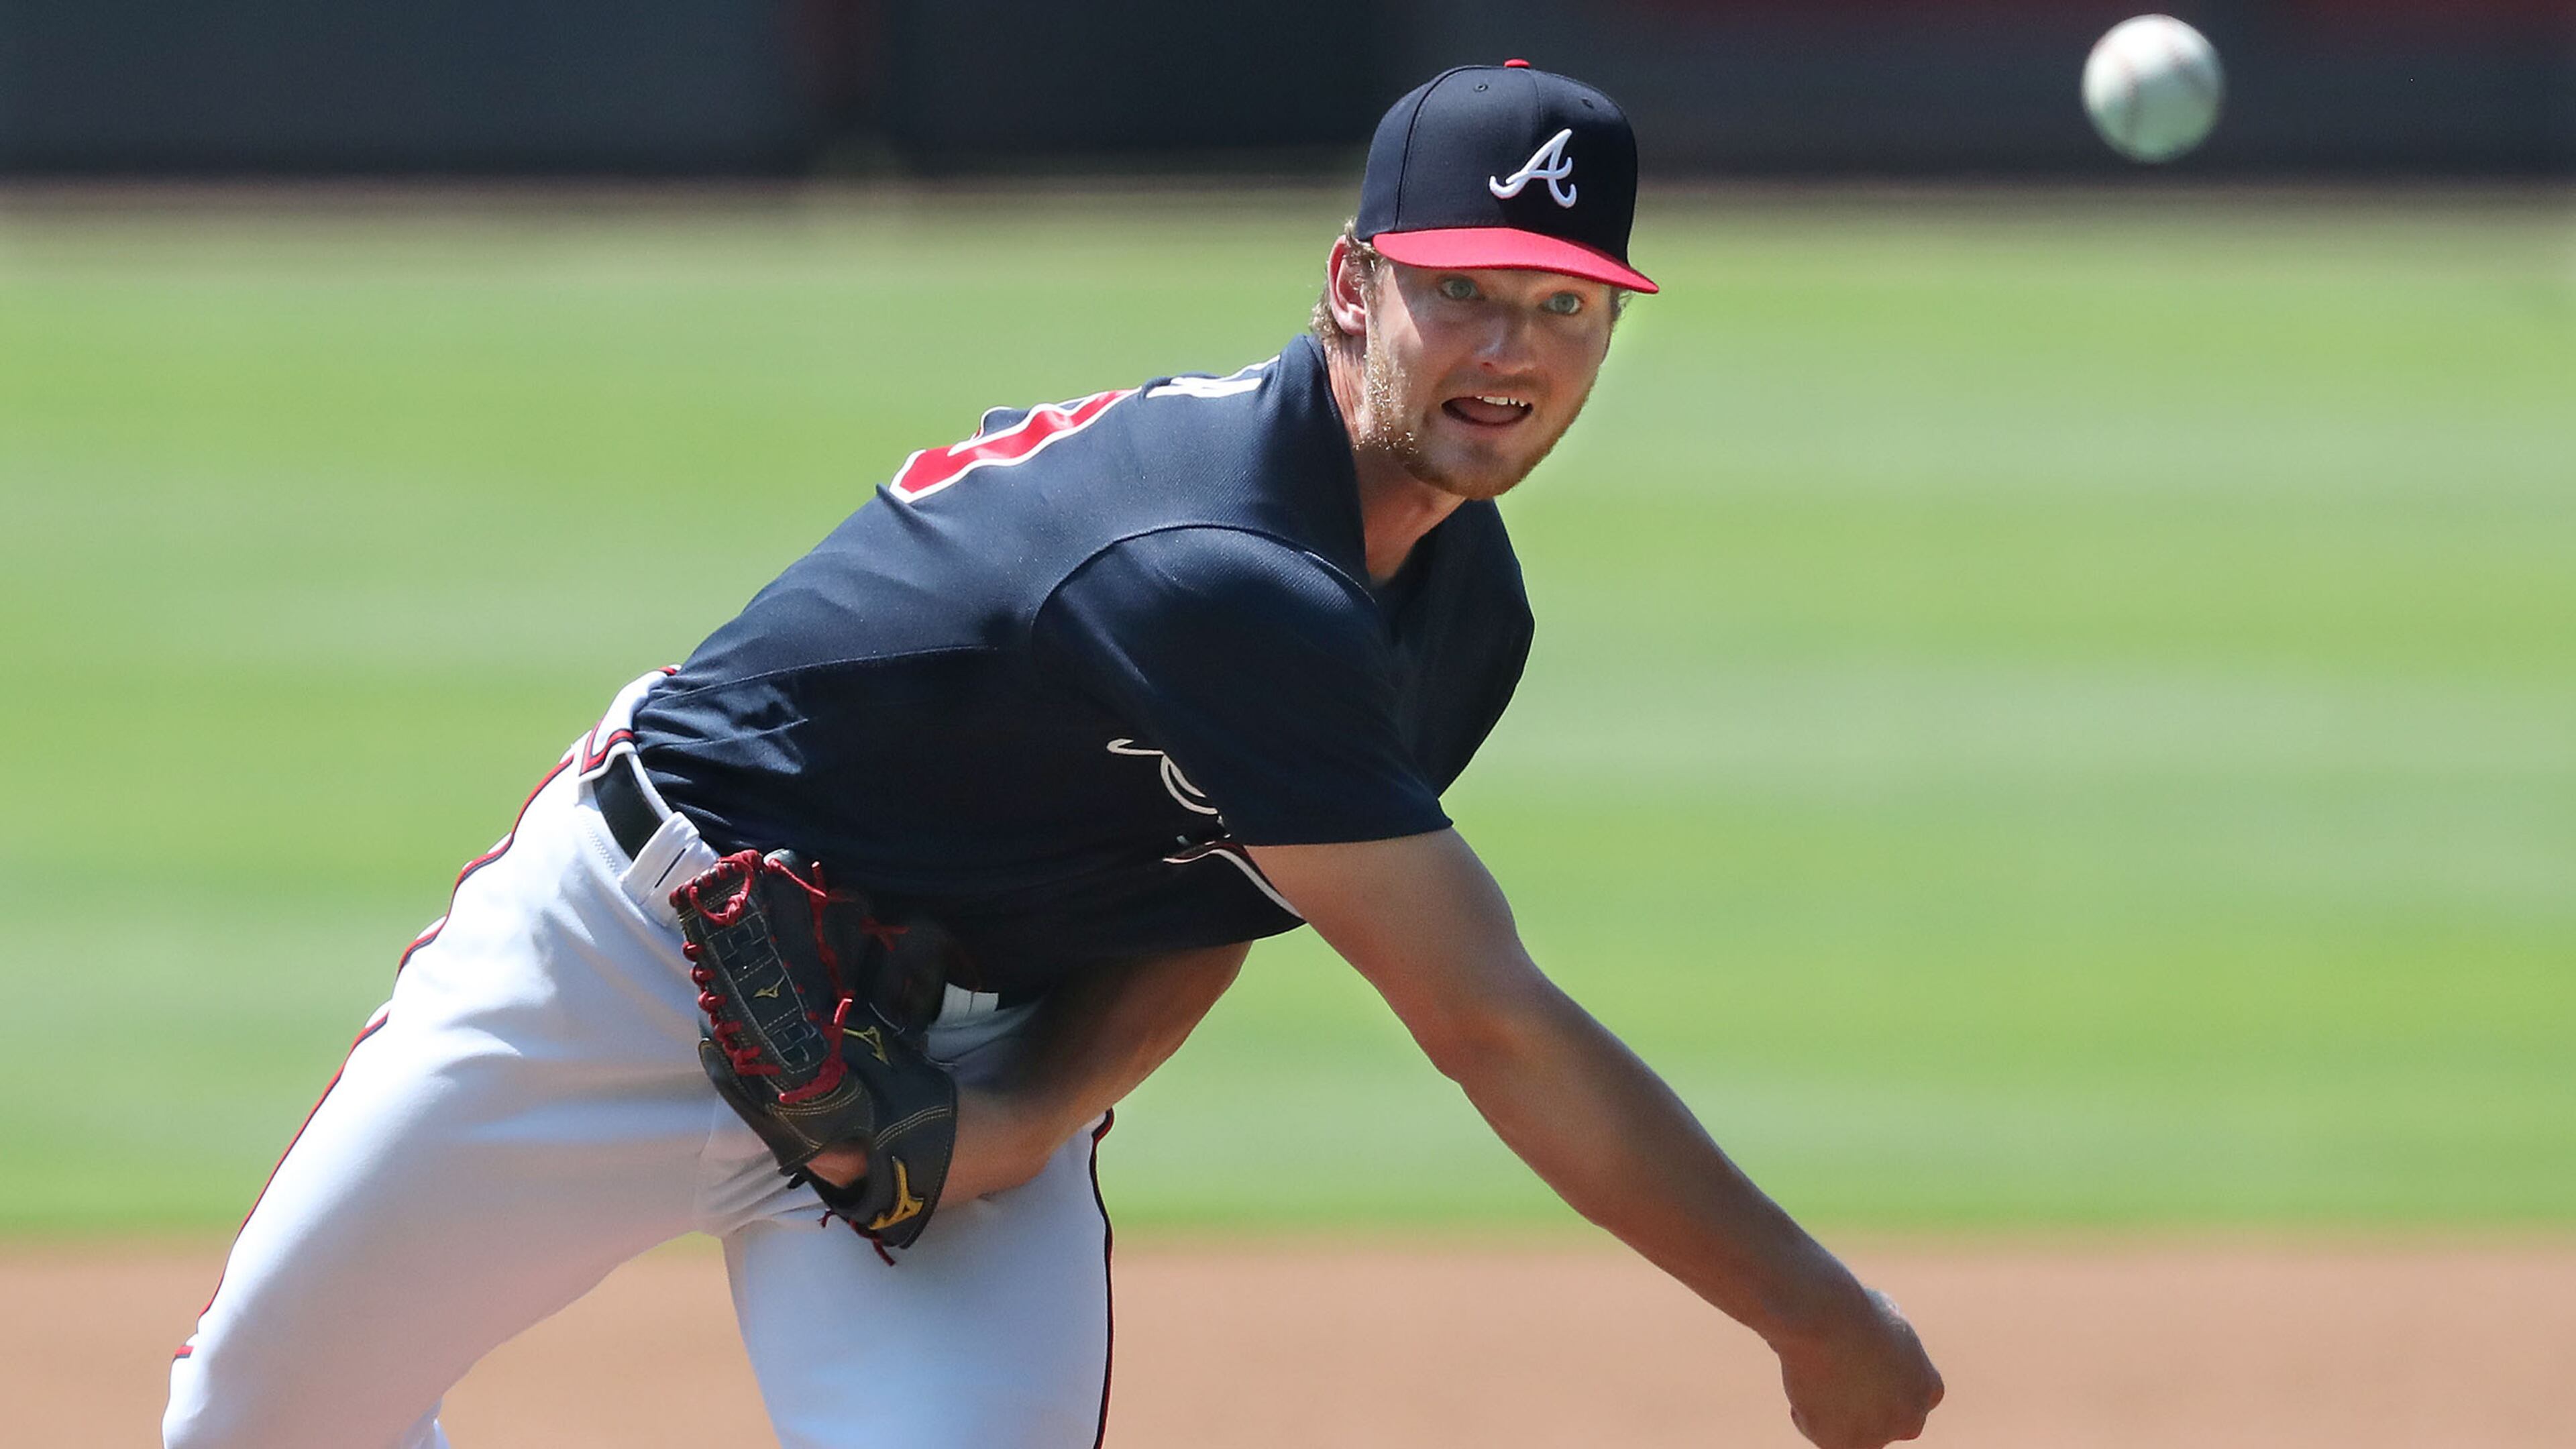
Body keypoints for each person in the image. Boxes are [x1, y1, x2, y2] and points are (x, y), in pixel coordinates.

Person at [166, 61, 1943, 1449]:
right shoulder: (1218, 575)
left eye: (1565, 307)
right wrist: (1810, 1309)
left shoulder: (1459, 617)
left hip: (959, 1053)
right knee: (251, 1423)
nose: (1513, 352)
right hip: (627, 968)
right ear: (1350, 284)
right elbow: (1486, 1025)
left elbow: (1210, 901)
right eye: (1464, 289)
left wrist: (1017, 1117)